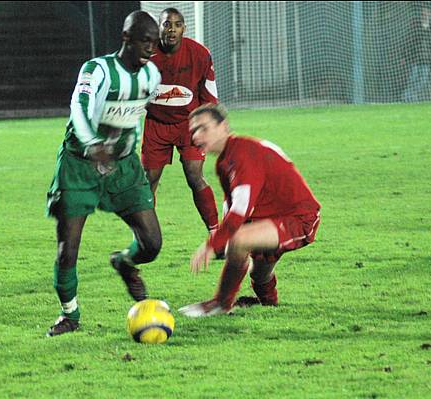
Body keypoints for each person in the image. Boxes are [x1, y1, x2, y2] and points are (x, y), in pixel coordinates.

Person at [45, 10, 163, 336]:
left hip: (122, 167)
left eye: (154, 43)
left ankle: (124, 262)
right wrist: (93, 142)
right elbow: (78, 109)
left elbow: (142, 111)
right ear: (126, 38)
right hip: (79, 164)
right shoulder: (97, 70)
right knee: (68, 249)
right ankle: (70, 314)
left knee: (152, 243)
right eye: (144, 42)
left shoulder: (151, 74)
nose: (150, 49)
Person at [178, 104, 321, 317]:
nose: (196, 136)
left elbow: (240, 211)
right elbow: (232, 204)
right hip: (266, 219)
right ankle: (269, 306)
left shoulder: (244, 154)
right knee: (260, 274)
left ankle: (221, 303)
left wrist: (212, 244)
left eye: (203, 128)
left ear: (224, 126)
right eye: (193, 131)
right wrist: (222, 241)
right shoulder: (225, 160)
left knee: (240, 240)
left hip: (298, 218)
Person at [142, 7, 220, 236]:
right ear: (159, 28)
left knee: (194, 175)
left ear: (184, 28)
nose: (172, 29)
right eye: (167, 24)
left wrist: (206, 127)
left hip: (189, 124)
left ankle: (216, 232)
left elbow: (209, 96)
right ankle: (146, 235)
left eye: (177, 24)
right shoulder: (146, 54)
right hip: (156, 125)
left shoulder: (200, 54)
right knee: (149, 180)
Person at [403, 6, 431, 102]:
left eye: (427, 13)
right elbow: (408, 42)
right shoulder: (416, 26)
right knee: (412, 79)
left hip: (427, 60)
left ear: (430, 14)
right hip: (415, 59)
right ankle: (406, 97)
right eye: (423, 13)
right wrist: (405, 56)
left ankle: (412, 96)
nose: (425, 15)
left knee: (422, 81)